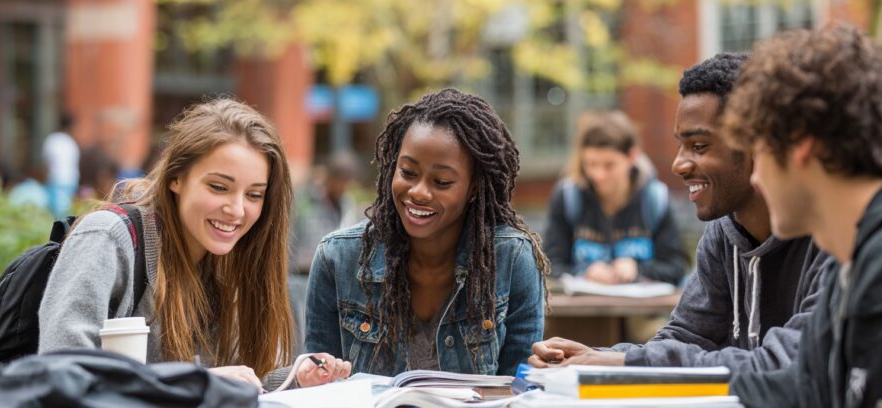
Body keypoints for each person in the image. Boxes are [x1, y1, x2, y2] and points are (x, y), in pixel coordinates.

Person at [529, 53, 833, 373]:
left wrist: (622, 360)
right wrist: (594, 358)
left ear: (758, 144)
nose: (678, 164)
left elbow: (788, 363)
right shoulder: (722, 233)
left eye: (699, 146)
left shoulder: (833, 235)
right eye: (680, 146)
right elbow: (688, 337)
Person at [722, 25, 882, 407]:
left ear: (801, 144)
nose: (755, 178)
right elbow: (801, 390)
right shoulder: (854, 261)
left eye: (761, 151)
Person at [38, 99, 349, 393]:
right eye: (218, 187)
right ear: (176, 178)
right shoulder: (107, 238)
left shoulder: (223, 259)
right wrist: (191, 381)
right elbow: (61, 374)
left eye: (254, 195)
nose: (237, 210)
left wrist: (294, 379)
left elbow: (226, 379)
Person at [306, 89, 548, 376]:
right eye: (407, 172)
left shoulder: (512, 259)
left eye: (441, 181)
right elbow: (317, 388)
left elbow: (519, 390)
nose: (418, 192)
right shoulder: (337, 258)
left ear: (473, 188)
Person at [544, 111, 687, 285]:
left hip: (642, 311)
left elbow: (676, 268)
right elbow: (549, 266)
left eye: (609, 165)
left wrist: (638, 269)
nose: (599, 175)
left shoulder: (655, 199)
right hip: (581, 310)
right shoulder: (568, 197)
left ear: (631, 157)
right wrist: (584, 271)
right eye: (591, 164)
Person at [288, 151, 362, 340]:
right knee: (302, 333)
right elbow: (289, 240)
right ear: (330, 177)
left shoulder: (347, 204)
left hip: (332, 282)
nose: (344, 187)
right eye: (342, 181)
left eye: (348, 182)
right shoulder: (303, 201)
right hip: (299, 279)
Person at [42, 114, 81, 218]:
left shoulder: (52, 140)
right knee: (66, 211)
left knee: (57, 212)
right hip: (70, 181)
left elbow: (46, 163)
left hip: (56, 180)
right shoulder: (71, 142)